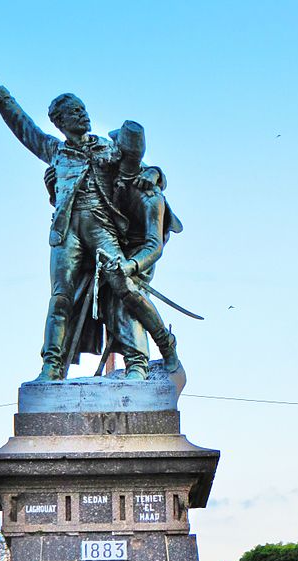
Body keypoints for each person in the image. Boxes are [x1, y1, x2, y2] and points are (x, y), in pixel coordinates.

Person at [0, 59, 161, 381]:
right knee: (60, 298)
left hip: (103, 228)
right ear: (59, 122)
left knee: (124, 287)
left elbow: (141, 171)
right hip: (66, 232)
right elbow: (22, 125)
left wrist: (155, 173)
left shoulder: (109, 149)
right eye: (74, 112)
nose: (83, 115)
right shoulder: (55, 151)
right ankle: (51, 367)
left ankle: (138, 362)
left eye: (83, 109)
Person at [97, 121, 184, 379]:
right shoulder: (109, 172)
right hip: (112, 245)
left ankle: (157, 350)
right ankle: (134, 357)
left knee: (128, 295)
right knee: (108, 303)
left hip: (139, 252)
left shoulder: (150, 197)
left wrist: (131, 266)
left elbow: (154, 245)